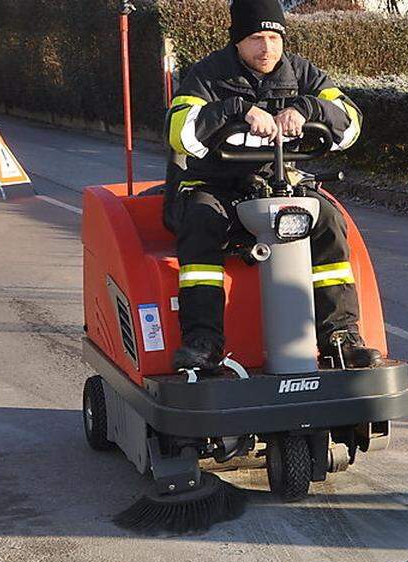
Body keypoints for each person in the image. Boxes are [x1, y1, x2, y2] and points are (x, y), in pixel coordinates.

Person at [162, 0, 381, 371]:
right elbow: (178, 131)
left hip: (280, 186)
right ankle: (204, 342)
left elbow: (351, 122)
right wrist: (235, 110)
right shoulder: (207, 75)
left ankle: (339, 337)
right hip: (218, 187)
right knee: (201, 221)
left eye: (275, 37)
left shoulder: (302, 73)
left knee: (328, 218)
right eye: (257, 38)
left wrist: (309, 109)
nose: (267, 48)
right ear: (237, 42)